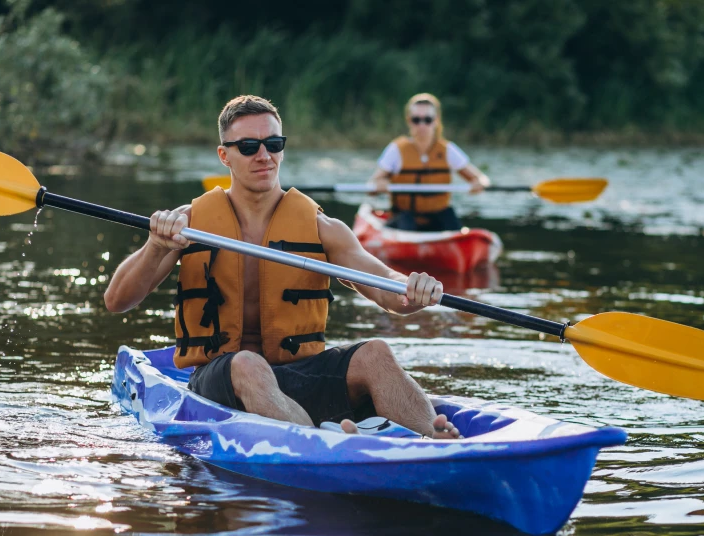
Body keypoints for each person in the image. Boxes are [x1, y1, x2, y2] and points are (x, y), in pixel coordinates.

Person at [104, 95, 459, 440]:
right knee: (247, 363)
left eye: (273, 143)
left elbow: (386, 287)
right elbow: (118, 300)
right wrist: (155, 246)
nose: (264, 156)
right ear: (224, 155)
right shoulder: (188, 224)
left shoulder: (323, 228)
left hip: (298, 373)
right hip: (222, 378)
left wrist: (413, 289)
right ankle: (322, 443)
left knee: (375, 354)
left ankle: (437, 440)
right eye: (249, 147)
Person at [369, 93, 490, 232]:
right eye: (416, 120)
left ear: (436, 120)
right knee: (407, 222)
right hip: (406, 216)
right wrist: (380, 183)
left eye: (427, 119)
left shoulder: (448, 150)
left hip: (440, 214)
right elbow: (372, 184)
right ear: (409, 121)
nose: (422, 125)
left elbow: (481, 178)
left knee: (450, 219)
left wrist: (479, 182)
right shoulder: (396, 150)